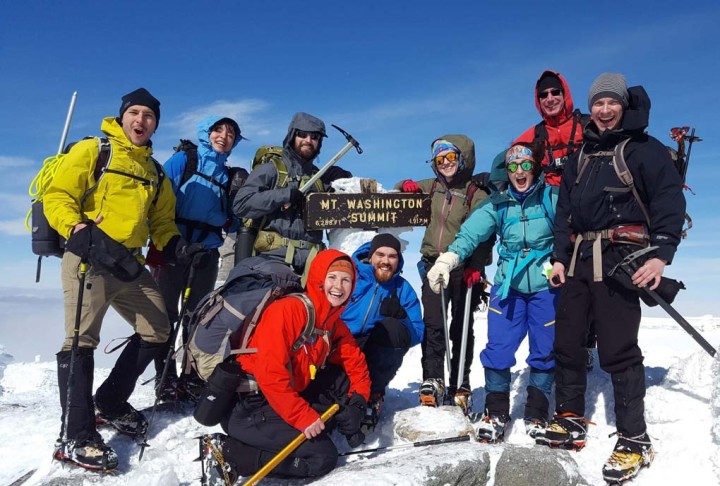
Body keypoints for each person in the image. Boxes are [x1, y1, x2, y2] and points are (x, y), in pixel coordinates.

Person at [43, 88, 204, 471]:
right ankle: (76, 434)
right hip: (89, 258)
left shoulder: (155, 172)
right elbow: (57, 195)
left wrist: (177, 247)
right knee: (81, 342)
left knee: (158, 328)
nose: (141, 121)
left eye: (148, 116)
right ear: (122, 116)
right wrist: (77, 228)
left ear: (155, 125)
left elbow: (161, 222)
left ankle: (111, 400)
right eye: (134, 113)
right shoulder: (96, 151)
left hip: (129, 264)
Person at [544, 73, 686, 483]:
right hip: (577, 261)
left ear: (623, 106)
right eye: (599, 104)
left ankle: (634, 438)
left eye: (612, 103)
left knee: (619, 349)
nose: (605, 111)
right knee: (568, 343)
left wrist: (661, 256)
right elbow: (564, 213)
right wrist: (558, 258)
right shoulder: (582, 154)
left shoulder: (645, 149)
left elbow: (668, 201)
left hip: (622, 260)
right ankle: (570, 417)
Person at [201, 249, 371, 482]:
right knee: (323, 458)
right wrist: (303, 418)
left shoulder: (329, 320)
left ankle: (277, 435)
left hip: (280, 399)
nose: (338, 286)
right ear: (318, 278)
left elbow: (355, 363)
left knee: (340, 381)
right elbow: (271, 375)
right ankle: (231, 453)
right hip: (249, 407)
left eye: (346, 280)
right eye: (332, 277)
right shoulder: (288, 311)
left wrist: (359, 403)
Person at [427, 142, 557, 443]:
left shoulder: (552, 198)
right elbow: (470, 234)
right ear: (506, 171)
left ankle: (537, 412)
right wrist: (449, 258)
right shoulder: (498, 205)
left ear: (533, 167)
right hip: (508, 286)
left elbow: (574, 228)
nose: (519, 171)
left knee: (545, 350)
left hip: (545, 286)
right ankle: (496, 412)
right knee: (498, 349)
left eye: (525, 164)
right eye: (513, 167)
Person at [148, 115, 246, 400]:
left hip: (206, 252)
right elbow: (159, 198)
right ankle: (164, 378)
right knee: (165, 316)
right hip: (173, 248)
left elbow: (233, 223)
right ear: (207, 132)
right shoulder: (185, 160)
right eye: (218, 130)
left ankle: (190, 377)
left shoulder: (229, 176)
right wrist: (167, 242)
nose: (224, 136)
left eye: (230, 133)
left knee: (197, 318)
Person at [397, 134, 492, 412]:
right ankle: (433, 379)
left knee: (462, 327)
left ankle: (460, 383)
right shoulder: (433, 187)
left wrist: (477, 266)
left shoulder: (476, 192)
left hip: (463, 269)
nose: (446, 163)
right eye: (440, 159)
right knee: (434, 325)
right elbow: (398, 187)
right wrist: (405, 185)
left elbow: (485, 234)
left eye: (451, 157)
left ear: (463, 158)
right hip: (431, 267)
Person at [233, 112, 352, 282]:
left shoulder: (320, 179)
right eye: (302, 134)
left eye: (315, 137)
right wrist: (285, 194)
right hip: (272, 259)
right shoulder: (272, 169)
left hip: (313, 261)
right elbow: (241, 204)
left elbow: (352, 207)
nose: (308, 140)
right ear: (292, 136)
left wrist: (346, 179)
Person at [340, 233, 424, 428]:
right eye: (380, 254)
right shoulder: (351, 277)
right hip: (342, 343)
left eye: (392, 256)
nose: (386, 261)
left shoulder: (403, 289)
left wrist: (401, 316)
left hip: (373, 347)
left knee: (394, 329)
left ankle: (373, 394)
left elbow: (418, 333)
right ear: (370, 256)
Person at [513, 70, 587, 187]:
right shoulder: (533, 134)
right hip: (550, 198)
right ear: (539, 101)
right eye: (543, 95)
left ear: (564, 95)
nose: (550, 99)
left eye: (555, 92)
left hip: (586, 192)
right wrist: (492, 181)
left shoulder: (588, 124)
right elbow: (505, 159)